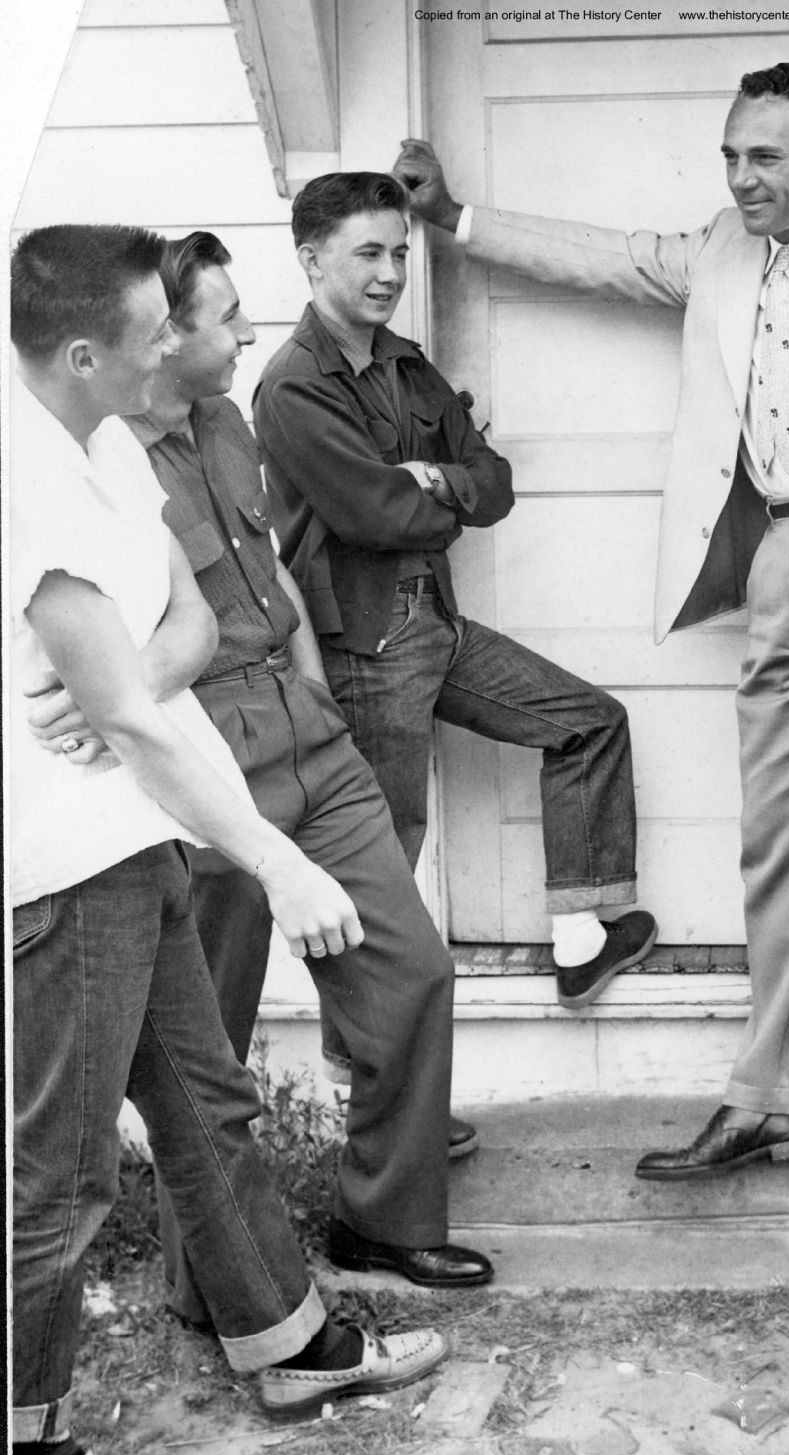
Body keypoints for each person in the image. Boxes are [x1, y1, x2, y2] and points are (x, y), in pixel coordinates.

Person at [394, 61, 789, 1171]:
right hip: (777, 550)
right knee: (782, 834)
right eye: (729, 155)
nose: (740, 176)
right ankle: (779, 1090)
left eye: (764, 156)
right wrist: (454, 220)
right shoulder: (722, 248)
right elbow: (609, 259)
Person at [8, 224, 447, 1455]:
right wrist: (274, 855)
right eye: (156, 333)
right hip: (63, 868)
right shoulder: (28, 478)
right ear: (86, 350)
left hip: (130, 840)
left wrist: (132, 673)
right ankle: (23, 1445)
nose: (179, 352)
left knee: (205, 1105)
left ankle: (288, 1338)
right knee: (62, 1174)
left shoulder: (101, 453)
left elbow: (180, 631)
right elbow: (133, 713)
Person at [115, 230, 486, 1295]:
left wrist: (315, 681)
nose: (248, 334)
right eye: (226, 319)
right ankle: (215, 1286)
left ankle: (385, 1219)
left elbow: (269, 556)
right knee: (209, 1046)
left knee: (409, 968)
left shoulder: (227, 419)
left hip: (303, 722)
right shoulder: (98, 462)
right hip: (203, 754)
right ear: (165, 332)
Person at [251, 172, 657, 1010]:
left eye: (399, 251)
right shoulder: (294, 383)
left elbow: (494, 483)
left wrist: (430, 476)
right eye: (369, 252)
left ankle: (581, 938)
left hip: (434, 619)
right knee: (382, 861)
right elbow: (373, 513)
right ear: (311, 259)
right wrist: (434, 497)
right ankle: (364, 1076)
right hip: (365, 646)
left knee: (588, 723)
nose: (391, 272)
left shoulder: (405, 362)